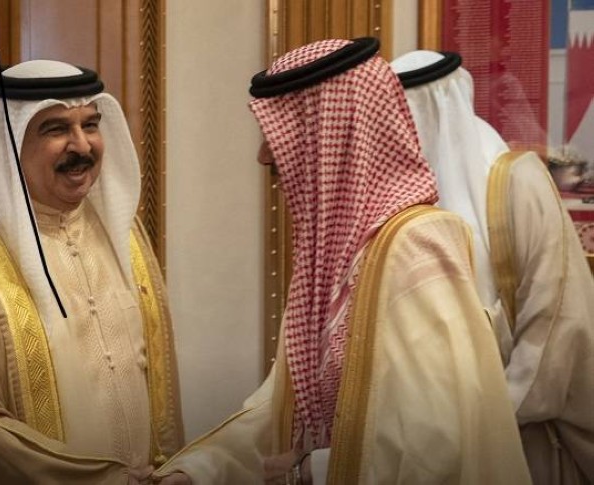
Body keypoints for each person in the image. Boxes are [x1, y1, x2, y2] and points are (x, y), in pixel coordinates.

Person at [154, 38, 530, 485]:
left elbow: (437, 440)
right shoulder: (342, 256)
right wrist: (194, 472)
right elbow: (285, 406)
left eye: (282, 131)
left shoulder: (413, 245)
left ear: (337, 138)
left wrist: (308, 470)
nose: (264, 156)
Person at [0, 59, 184, 484]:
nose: (81, 146)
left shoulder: (124, 233)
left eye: (90, 125)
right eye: (56, 129)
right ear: (11, 142)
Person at [392, 50, 594, 484]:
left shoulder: (516, 180)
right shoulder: (400, 196)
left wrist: (488, 421)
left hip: (520, 432)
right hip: (430, 431)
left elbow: (557, 320)